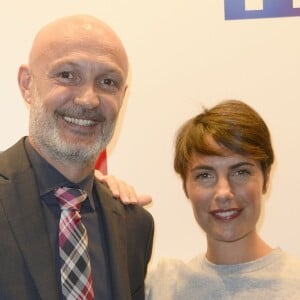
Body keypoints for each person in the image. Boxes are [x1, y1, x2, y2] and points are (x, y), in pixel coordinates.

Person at [0, 15, 154, 300]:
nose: (88, 99)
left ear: (123, 96)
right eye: (67, 75)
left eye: (107, 82)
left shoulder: (135, 225)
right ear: (27, 84)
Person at [113, 99, 300, 299]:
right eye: (205, 175)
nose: (223, 192)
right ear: (186, 186)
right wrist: (94, 194)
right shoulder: (162, 286)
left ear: (266, 177)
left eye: (241, 172)